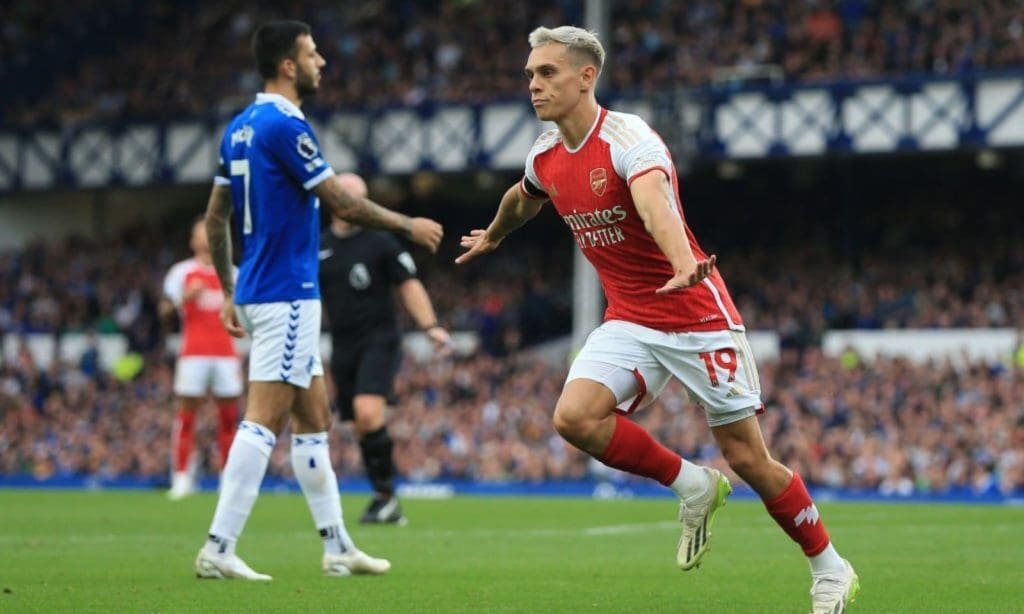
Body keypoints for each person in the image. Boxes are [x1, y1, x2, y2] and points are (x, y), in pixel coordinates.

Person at [456, 26, 859, 613]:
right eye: (530, 75)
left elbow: (654, 204)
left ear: (586, 76)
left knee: (748, 458)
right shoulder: (544, 153)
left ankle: (830, 568)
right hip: (630, 319)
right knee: (574, 418)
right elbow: (523, 197)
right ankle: (694, 485)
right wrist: (494, 234)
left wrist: (683, 264)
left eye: (547, 72)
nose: (534, 85)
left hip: (696, 314)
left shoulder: (629, 140)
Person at [195, 20, 443, 581]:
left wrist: (231, 289)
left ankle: (338, 547)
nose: (321, 62)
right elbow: (342, 203)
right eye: (312, 54)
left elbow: (215, 218)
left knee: (315, 421)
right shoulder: (285, 125)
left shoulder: (239, 128)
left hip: (261, 288)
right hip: (286, 292)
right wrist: (407, 225)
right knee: (263, 421)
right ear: (288, 65)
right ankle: (218, 546)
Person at [319, 172, 451, 525]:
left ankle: (387, 496)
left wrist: (430, 326)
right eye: (349, 197)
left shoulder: (381, 242)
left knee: (367, 412)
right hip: (341, 346)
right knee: (360, 425)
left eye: (361, 199)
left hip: (379, 339)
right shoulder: (318, 246)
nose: (356, 205)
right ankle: (384, 500)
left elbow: (409, 284)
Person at [160, 217, 243, 500]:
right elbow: (163, 311)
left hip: (225, 354)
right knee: (186, 416)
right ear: (192, 241)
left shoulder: (233, 273)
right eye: (202, 233)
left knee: (229, 418)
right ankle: (182, 477)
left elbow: (244, 314)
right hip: (193, 353)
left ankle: (227, 479)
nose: (208, 237)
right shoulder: (181, 272)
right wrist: (184, 297)